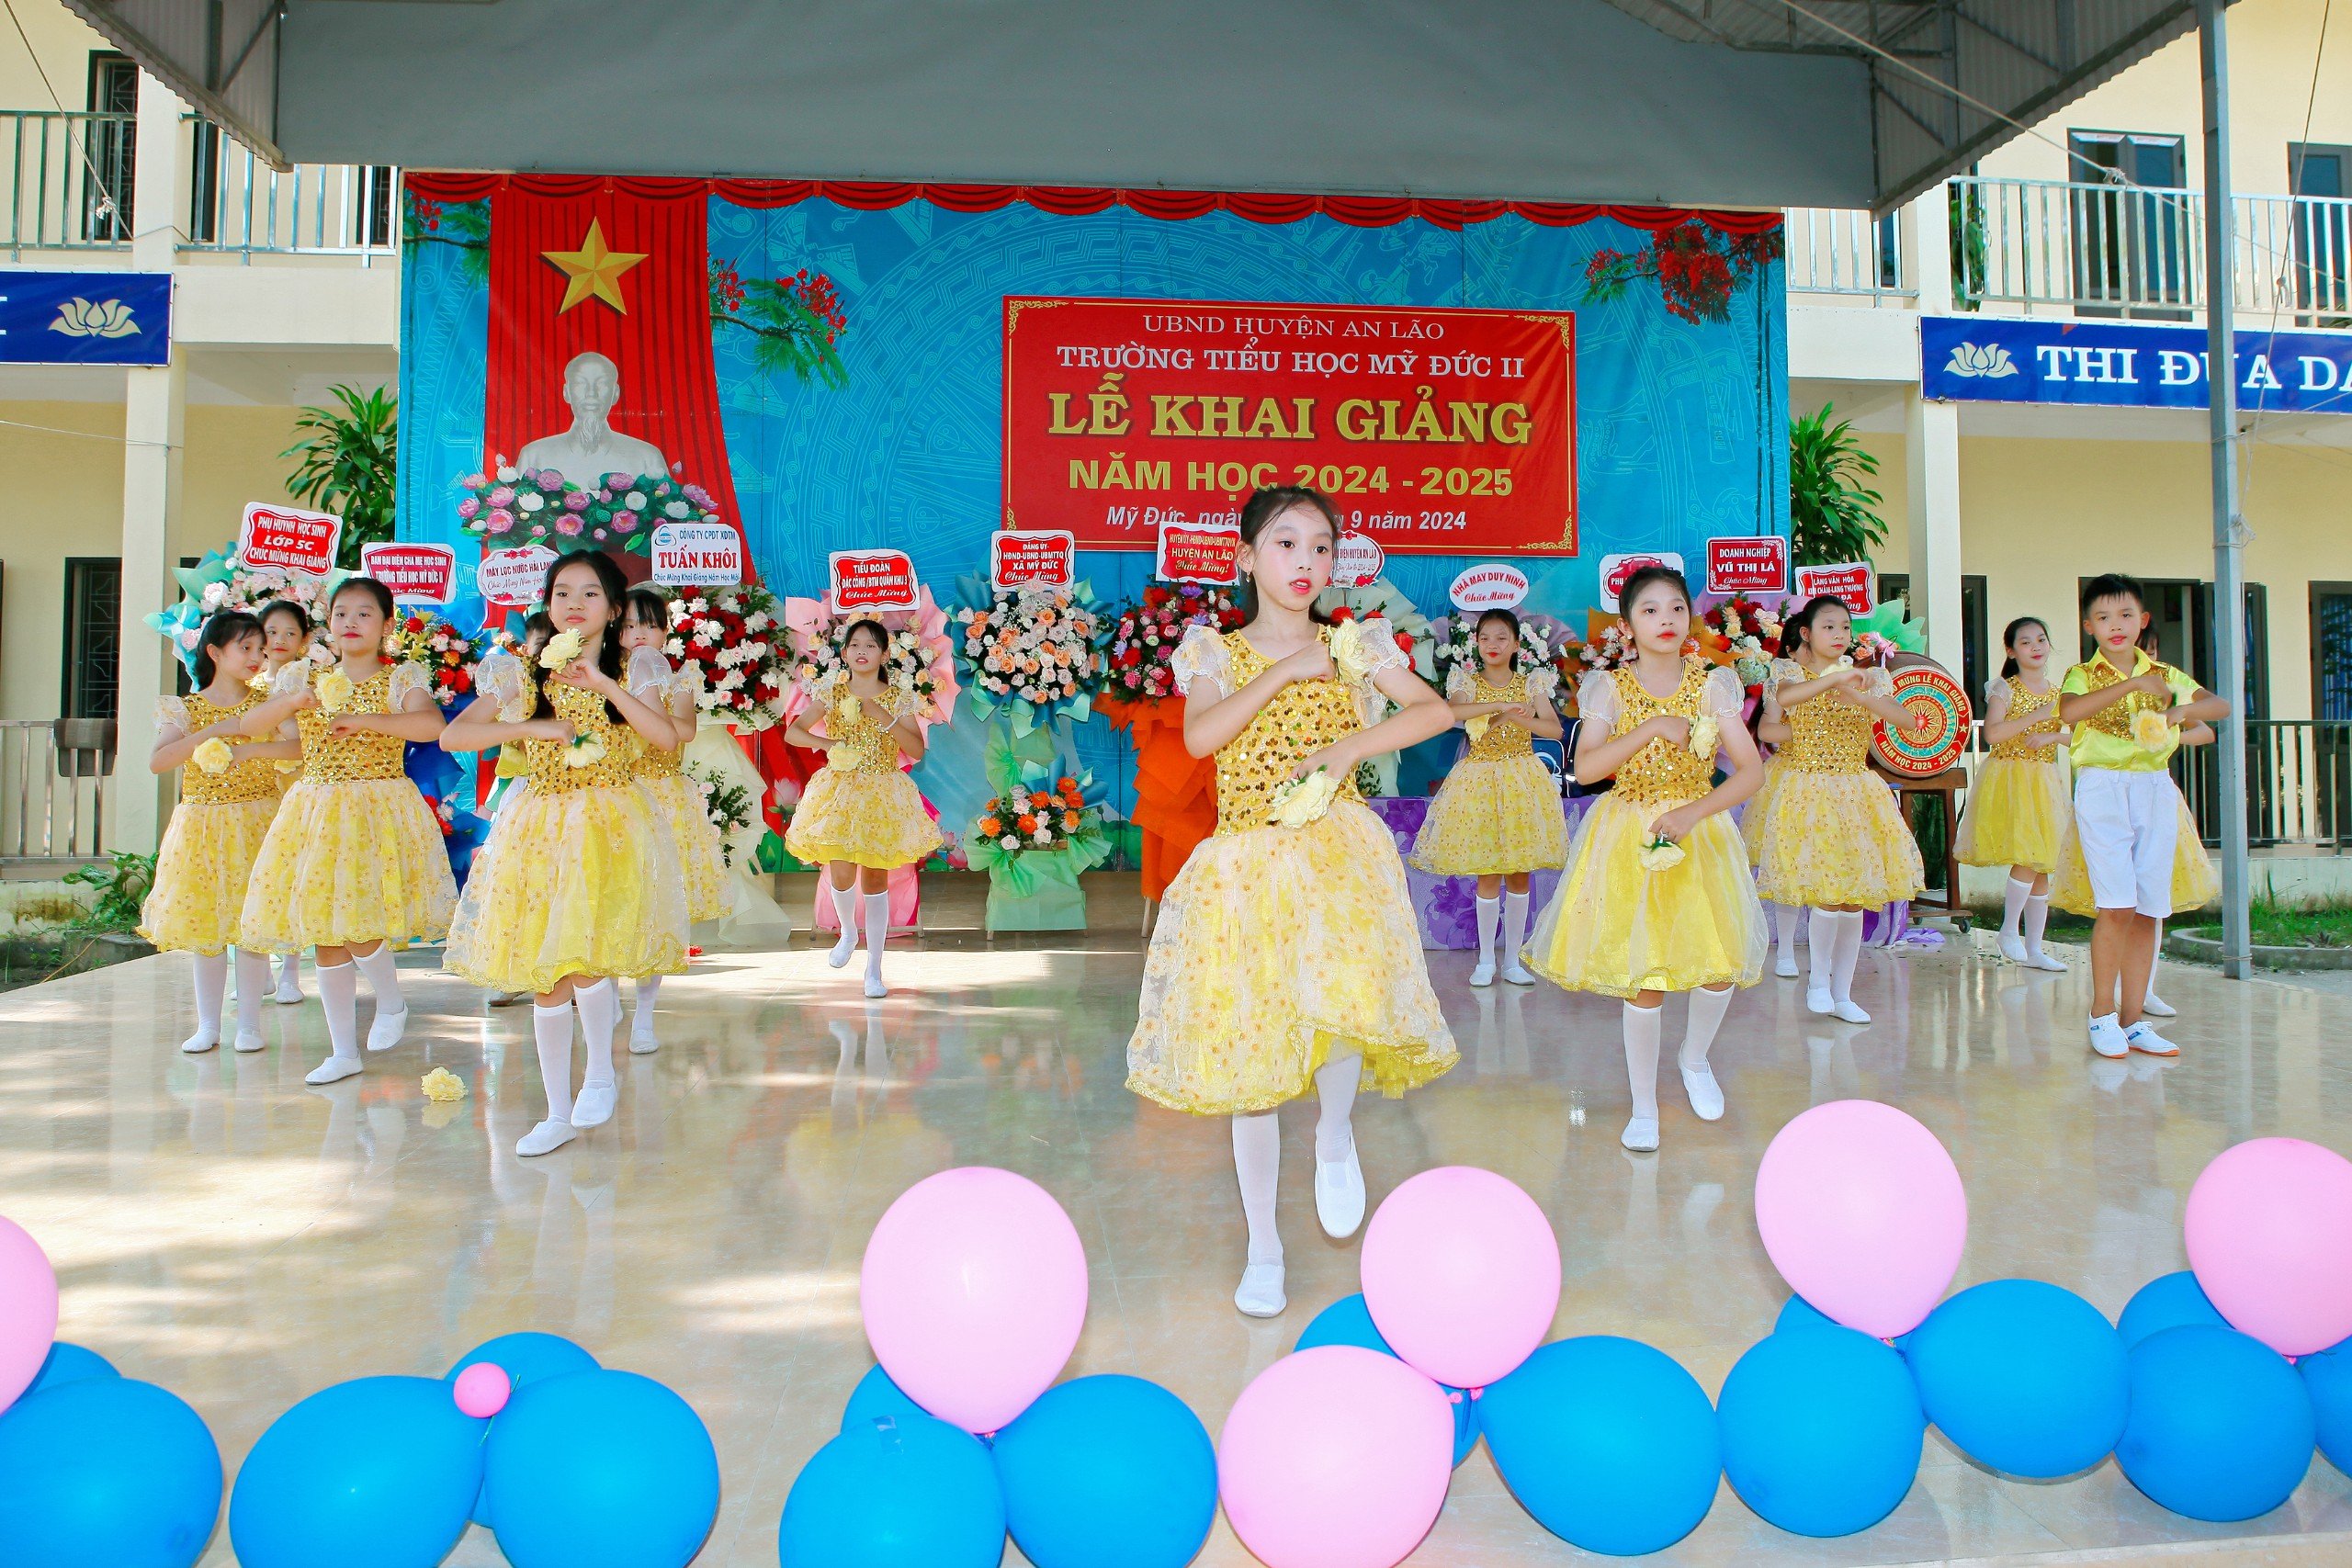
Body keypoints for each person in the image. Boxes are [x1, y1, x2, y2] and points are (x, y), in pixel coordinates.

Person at [1126, 485, 1457, 1318]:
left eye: (1321, 546)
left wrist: (1349, 746)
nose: (1305, 561)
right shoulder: (1213, 648)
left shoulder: (1354, 642)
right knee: (1253, 1058)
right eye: (1285, 543)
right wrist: (1282, 670)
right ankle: (1264, 1247)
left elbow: (1431, 710)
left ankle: (1335, 1135)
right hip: (1246, 864)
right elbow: (1202, 736)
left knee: (1340, 1007)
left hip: (1335, 852)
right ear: (1247, 557)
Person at [442, 553, 690, 1156]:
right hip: (540, 825)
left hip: (608, 824)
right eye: (562, 593)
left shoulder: (634, 666)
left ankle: (600, 1072)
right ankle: (556, 1112)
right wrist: (529, 727)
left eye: (589, 593)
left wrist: (602, 682)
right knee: (546, 972)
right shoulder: (523, 671)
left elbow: (666, 739)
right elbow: (455, 736)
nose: (574, 604)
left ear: (614, 607)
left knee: (586, 955)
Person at [1523, 565, 1766, 1151]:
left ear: (1690, 617)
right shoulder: (1609, 687)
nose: (1666, 620)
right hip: (1628, 834)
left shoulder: (1713, 684)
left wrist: (1693, 813)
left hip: (1698, 833)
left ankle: (1695, 1058)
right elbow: (1586, 769)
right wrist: (1653, 726)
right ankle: (1643, 1106)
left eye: (1676, 608)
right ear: (1628, 625)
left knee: (1718, 969)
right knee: (1645, 979)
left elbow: (1751, 772)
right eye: (1650, 610)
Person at [237, 579, 456, 1085]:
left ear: (386, 625)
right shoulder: (304, 676)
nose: (351, 623)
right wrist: (294, 699)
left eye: (364, 613)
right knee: (326, 931)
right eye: (341, 613)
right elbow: (252, 724)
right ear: (328, 623)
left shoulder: (402, 677)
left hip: (376, 809)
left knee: (360, 919)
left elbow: (431, 726)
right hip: (316, 810)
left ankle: (391, 1000)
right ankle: (343, 1052)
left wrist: (365, 720)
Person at [2054, 573, 2231, 1059]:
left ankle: (2133, 1021)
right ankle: (2102, 1014)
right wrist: (2132, 684)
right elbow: (2070, 713)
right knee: (2117, 905)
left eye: (2126, 615)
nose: (2116, 625)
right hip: (2103, 788)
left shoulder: (2166, 674)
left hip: (2154, 788)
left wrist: (2176, 713)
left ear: (2143, 620)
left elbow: (2219, 706)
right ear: (2089, 626)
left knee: (2150, 908)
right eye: (2104, 617)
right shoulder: (2081, 674)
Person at [1746, 595, 1927, 1025]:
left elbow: (1908, 721)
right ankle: (1819, 982)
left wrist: (1859, 694)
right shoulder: (1790, 672)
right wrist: (1834, 681)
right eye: (1829, 627)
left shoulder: (1871, 677)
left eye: (1845, 627)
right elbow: (1785, 701)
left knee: (1853, 899)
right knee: (1827, 893)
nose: (1839, 634)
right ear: (1806, 633)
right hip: (1810, 789)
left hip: (1858, 792)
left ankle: (1843, 993)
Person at [137, 611, 300, 1054]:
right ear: (214, 652)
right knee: (206, 928)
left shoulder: (268, 701)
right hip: (202, 826)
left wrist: (252, 748)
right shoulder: (184, 709)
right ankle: (208, 1025)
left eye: (259, 648)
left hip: (257, 821)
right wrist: (214, 730)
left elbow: (300, 747)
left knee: (252, 925)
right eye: (245, 648)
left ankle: (249, 1025)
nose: (256, 656)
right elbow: (159, 761)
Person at [1409, 607, 1567, 987]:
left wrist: (1514, 717)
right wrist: (1498, 706)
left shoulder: (1532, 683)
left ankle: (1512, 961)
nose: (1492, 644)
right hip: (1479, 780)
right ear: (1476, 643)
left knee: (1520, 873)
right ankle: (1485, 961)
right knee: (1487, 871)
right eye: (1485, 638)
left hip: (1522, 780)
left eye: (1501, 637)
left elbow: (1554, 730)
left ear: (1516, 644)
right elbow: (1454, 712)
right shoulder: (1466, 680)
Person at [784, 620, 941, 998]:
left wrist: (885, 718)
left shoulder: (898, 697)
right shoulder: (832, 692)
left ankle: (874, 968)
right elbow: (794, 731)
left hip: (882, 791)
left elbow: (916, 751)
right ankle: (848, 932)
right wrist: (828, 744)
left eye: (871, 646)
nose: (862, 652)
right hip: (839, 790)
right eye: (855, 645)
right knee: (840, 870)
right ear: (844, 653)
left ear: (884, 655)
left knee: (874, 879)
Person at [620, 586, 728, 1050]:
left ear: (665, 632)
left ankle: (644, 1015)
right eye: (629, 625)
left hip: (663, 799)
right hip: (613, 798)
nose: (639, 634)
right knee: (612, 900)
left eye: (649, 625)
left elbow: (684, 730)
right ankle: (604, 995)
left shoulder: (679, 678)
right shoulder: (600, 675)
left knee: (656, 909)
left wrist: (651, 708)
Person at [1956, 616, 2072, 971]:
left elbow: (2081, 737)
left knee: (2042, 865)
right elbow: (1992, 734)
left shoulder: (2060, 693)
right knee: (2029, 856)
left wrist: (2053, 735)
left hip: (2044, 780)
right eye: (2026, 642)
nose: (2036, 647)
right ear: (2011, 651)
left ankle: (2034, 949)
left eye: (2041, 639)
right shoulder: (2004, 689)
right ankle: (2008, 930)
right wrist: (2038, 715)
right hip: (2011, 779)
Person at [460, 612, 555, 1009]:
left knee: (562, 883)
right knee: (515, 881)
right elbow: (462, 732)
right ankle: (514, 970)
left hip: (577, 800)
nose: (546, 652)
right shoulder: (516, 682)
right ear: (525, 647)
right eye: (539, 644)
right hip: (524, 793)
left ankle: (565, 972)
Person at [255, 599, 317, 1005]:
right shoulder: (246, 683)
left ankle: (291, 972)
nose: (280, 640)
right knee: (253, 873)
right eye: (272, 632)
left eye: (290, 633)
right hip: (252, 789)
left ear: (304, 639)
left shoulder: (310, 683)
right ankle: (257, 970)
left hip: (294, 786)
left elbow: (303, 739)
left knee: (291, 874)